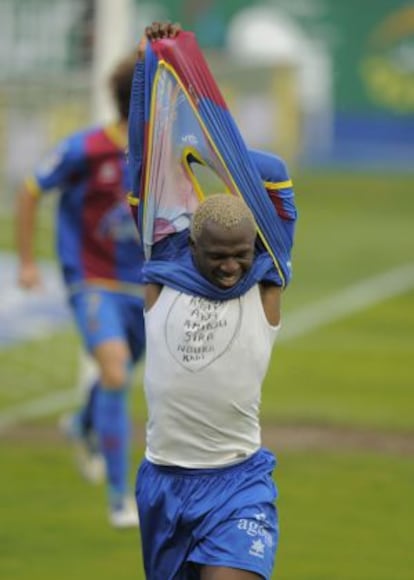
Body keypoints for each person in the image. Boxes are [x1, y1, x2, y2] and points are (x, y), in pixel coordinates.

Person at [130, 23, 297, 579]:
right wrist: (148, 65)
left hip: (239, 485)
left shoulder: (267, 280)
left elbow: (275, 179)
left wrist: (209, 149)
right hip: (162, 485)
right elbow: (147, 164)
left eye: (241, 255)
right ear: (191, 246)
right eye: (218, 256)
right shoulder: (160, 275)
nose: (232, 266)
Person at [15, 52, 145, 529]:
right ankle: (119, 500)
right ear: (141, 100)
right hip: (92, 281)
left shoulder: (159, 153)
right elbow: (30, 189)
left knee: (120, 372)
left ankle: (80, 424)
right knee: (114, 372)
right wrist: (28, 262)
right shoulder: (85, 149)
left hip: (144, 286)